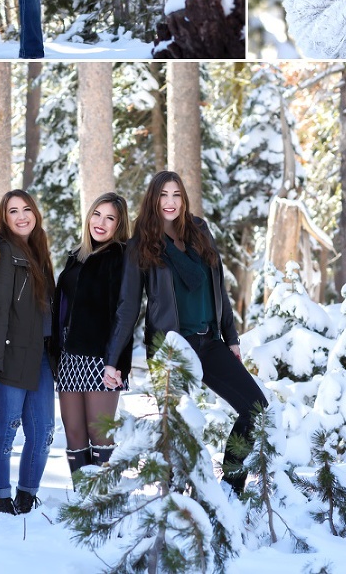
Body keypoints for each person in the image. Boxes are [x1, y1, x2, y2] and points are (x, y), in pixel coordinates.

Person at [104, 171, 267, 494]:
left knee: (256, 407)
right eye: (163, 195)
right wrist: (112, 360)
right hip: (171, 349)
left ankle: (230, 490)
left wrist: (231, 338)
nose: (170, 202)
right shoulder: (141, 244)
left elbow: (218, 287)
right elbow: (128, 307)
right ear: (153, 199)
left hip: (210, 342)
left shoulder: (199, 231)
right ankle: (174, 502)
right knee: (177, 430)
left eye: (176, 194)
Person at [0, 191, 56, 514]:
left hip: (40, 357)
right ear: (5, 218)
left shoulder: (38, 250)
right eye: (13, 211)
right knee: (5, 430)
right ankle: (1, 499)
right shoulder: (3, 251)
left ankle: (26, 496)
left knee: (43, 433)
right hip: (11, 355)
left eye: (27, 209)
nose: (22, 216)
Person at [53, 192, 131, 483]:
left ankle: (106, 503)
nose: (101, 222)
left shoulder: (121, 257)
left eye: (110, 218)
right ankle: (83, 503)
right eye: (97, 214)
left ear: (118, 226)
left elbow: (126, 314)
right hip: (69, 355)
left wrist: (119, 362)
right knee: (73, 432)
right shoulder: (76, 256)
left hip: (102, 357)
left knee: (99, 432)